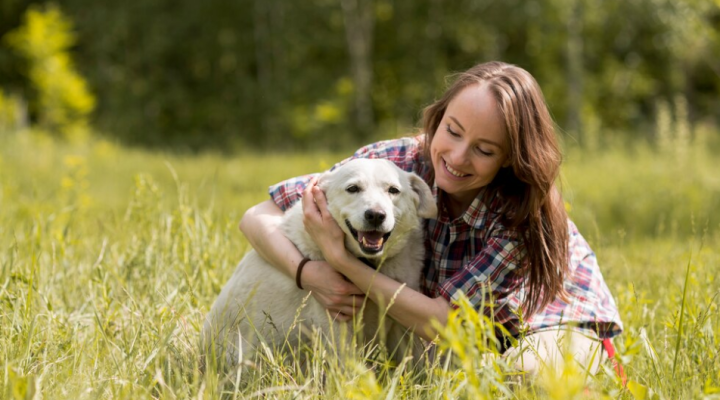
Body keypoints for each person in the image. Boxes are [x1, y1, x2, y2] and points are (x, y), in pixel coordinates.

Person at [239, 61, 623, 377]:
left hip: (547, 318)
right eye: (452, 131)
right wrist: (307, 272)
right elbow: (258, 215)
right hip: (458, 327)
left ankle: (593, 367)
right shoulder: (397, 164)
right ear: (437, 121)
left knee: (526, 377)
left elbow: (441, 323)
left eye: (484, 150)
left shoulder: (521, 213)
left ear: (510, 157)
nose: (456, 157)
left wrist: (340, 262)